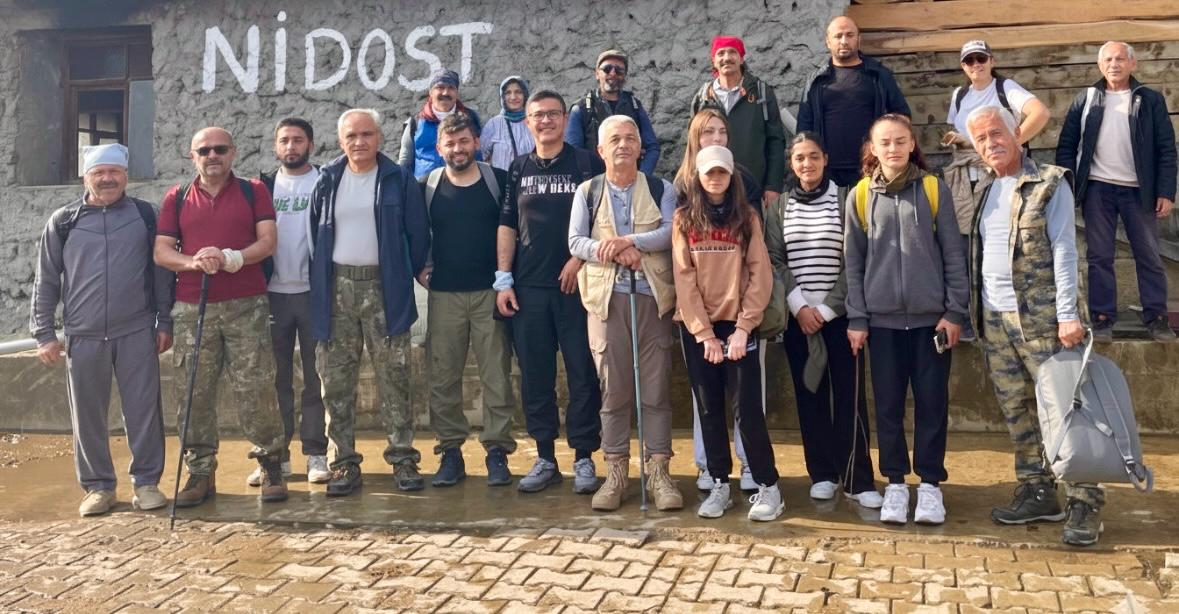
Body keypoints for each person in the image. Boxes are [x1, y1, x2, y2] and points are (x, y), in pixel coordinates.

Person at [968, 105, 1102, 546]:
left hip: (1043, 320)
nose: (990, 143)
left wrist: (1068, 313)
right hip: (995, 318)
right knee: (1017, 409)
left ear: (1017, 133)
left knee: (1065, 410)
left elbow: (1064, 248)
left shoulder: (1049, 182)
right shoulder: (986, 189)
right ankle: (1037, 489)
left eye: (997, 133)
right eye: (981, 139)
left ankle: (1084, 500)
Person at [31, 144, 172, 517]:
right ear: (86, 177)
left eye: (114, 172)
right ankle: (98, 487)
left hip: (136, 330)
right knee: (88, 415)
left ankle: (146, 483)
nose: (107, 179)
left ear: (126, 176)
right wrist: (44, 333)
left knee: (144, 411)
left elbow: (161, 274)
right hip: (84, 334)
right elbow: (46, 280)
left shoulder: (146, 216)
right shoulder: (63, 221)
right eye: (99, 172)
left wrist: (164, 321)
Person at [844, 114, 967, 526]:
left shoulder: (933, 189)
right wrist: (858, 317)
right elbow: (853, 263)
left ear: (912, 144)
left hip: (932, 323)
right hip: (882, 325)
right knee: (888, 407)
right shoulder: (860, 195)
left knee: (932, 404)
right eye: (885, 142)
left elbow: (953, 254)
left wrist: (953, 311)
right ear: (873, 149)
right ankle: (895, 483)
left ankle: (930, 485)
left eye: (900, 141)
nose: (893, 148)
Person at [154, 127, 288, 506]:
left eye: (220, 149)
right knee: (193, 391)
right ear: (192, 156)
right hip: (192, 307)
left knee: (256, 388)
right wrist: (194, 262)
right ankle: (200, 471)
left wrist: (232, 257)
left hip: (247, 304)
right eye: (204, 150)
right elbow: (162, 251)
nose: (212, 155)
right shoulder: (177, 197)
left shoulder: (253, 191)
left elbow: (268, 241)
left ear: (233, 152)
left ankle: (271, 463)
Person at [309, 109, 431, 496]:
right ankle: (343, 462)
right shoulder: (328, 179)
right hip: (337, 291)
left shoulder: (397, 179)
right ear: (340, 141)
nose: (359, 142)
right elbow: (315, 233)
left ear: (379, 137)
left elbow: (417, 232)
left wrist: (406, 270)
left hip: (385, 288)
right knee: (336, 382)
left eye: (366, 134)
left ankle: (403, 458)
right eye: (351, 136)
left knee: (394, 377)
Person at [568, 115, 682, 512]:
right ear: (600, 150)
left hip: (652, 298)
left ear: (640, 147)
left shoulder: (661, 188)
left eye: (630, 138)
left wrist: (628, 241)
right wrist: (614, 252)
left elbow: (670, 231)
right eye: (615, 139)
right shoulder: (587, 191)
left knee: (655, 389)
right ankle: (615, 472)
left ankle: (659, 472)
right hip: (605, 301)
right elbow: (575, 241)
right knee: (613, 389)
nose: (623, 145)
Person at [764, 132, 881, 508]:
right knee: (809, 397)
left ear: (825, 159)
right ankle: (823, 474)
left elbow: (855, 258)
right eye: (799, 158)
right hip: (799, 319)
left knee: (849, 398)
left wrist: (827, 310)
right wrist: (800, 307)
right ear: (791, 163)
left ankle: (858, 479)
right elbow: (774, 259)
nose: (807, 164)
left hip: (841, 317)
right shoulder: (780, 208)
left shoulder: (845, 200)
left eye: (813, 156)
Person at [496, 90, 605, 494]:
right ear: (528, 122)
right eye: (538, 115)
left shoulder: (586, 163)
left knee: (582, 374)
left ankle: (583, 458)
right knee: (536, 377)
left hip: (577, 287)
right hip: (529, 289)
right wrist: (503, 279)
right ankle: (545, 458)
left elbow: (603, 219)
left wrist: (579, 259)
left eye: (553, 114)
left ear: (563, 119)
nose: (546, 121)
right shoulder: (518, 167)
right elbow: (507, 223)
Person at [673, 145, 782, 522]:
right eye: (709, 173)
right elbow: (683, 279)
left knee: (747, 410)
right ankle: (720, 483)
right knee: (709, 410)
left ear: (731, 175)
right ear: (699, 178)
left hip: (738, 327)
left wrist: (743, 327)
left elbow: (759, 274)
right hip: (699, 328)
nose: (716, 178)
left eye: (722, 172)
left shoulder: (747, 217)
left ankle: (768, 486)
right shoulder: (684, 219)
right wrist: (704, 334)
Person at [418, 112, 516, 488]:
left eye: (464, 141)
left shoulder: (498, 181)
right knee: (443, 376)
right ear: (439, 147)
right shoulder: (427, 186)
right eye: (450, 143)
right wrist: (420, 267)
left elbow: (515, 229)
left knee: (496, 376)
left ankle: (497, 451)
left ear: (476, 142)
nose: (457, 149)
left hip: (490, 294)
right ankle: (450, 452)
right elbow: (414, 233)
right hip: (444, 295)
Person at [1056, 41, 1177, 342]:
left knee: (1149, 254)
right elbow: (1066, 146)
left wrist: (1166, 191)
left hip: (1139, 191)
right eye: (1108, 59)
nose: (1114, 64)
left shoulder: (1150, 100)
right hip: (1097, 188)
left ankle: (1157, 318)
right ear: (1100, 65)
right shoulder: (1086, 99)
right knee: (1099, 256)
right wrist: (1069, 187)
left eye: (1120, 59)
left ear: (1133, 64)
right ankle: (1102, 319)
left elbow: (1166, 149)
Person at [942, 40, 1050, 341]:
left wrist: (1010, 143)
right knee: (964, 245)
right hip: (966, 180)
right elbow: (961, 132)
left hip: (1001, 177)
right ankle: (969, 318)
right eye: (969, 61)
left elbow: (1040, 113)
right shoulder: (960, 95)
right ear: (963, 66)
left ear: (992, 60)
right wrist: (959, 141)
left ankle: (1006, 318)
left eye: (981, 58)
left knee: (1000, 243)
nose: (976, 65)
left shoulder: (1006, 88)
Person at [257, 117, 330, 486]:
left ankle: (316, 453)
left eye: (298, 140)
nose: (290, 146)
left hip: (313, 293)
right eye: (284, 140)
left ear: (310, 145)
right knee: (275, 379)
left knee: (316, 378)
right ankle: (276, 456)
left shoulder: (325, 182)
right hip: (272, 294)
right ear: (276, 146)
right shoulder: (262, 187)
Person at [797, 16, 911, 187]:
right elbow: (804, 127)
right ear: (828, 42)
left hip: (872, 168)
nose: (844, 41)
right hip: (826, 170)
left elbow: (902, 116)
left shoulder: (878, 75)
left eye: (850, 35)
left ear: (859, 39)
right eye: (838, 36)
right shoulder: (816, 80)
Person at [689, 35, 786, 207]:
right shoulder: (703, 98)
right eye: (721, 53)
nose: (727, 58)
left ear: (741, 58)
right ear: (713, 61)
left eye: (732, 52)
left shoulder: (761, 93)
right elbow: (693, 144)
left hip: (752, 189)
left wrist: (773, 185)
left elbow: (776, 141)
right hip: (711, 188)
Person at [565, 49, 660, 174]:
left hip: (630, 180)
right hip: (595, 180)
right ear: (597, 74)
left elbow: (652, 147)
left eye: (619, 70)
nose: (613, 73)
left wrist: (641, 176)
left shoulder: (635, 106)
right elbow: (573, 152)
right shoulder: (581, 109)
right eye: (607, 69)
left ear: (624, 75)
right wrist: (589, 180)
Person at [398, 68, 483, 180]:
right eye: (440, 87)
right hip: (425, 186)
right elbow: (405, 161)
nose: (445, 93)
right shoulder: (416, 122)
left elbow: (479, 154)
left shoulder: (470, 118)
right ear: (431, 92)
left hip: (464, 183)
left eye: (451, 88)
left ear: (456, 93)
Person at [480, 76, 536, 171]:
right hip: (501, 179)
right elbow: (482, 155)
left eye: (518, 92)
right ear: (503, 97)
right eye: (508, 93)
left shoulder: (533, 121)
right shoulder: (493, 124)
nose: (513, 97)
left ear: (525, 95)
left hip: (529, 178)